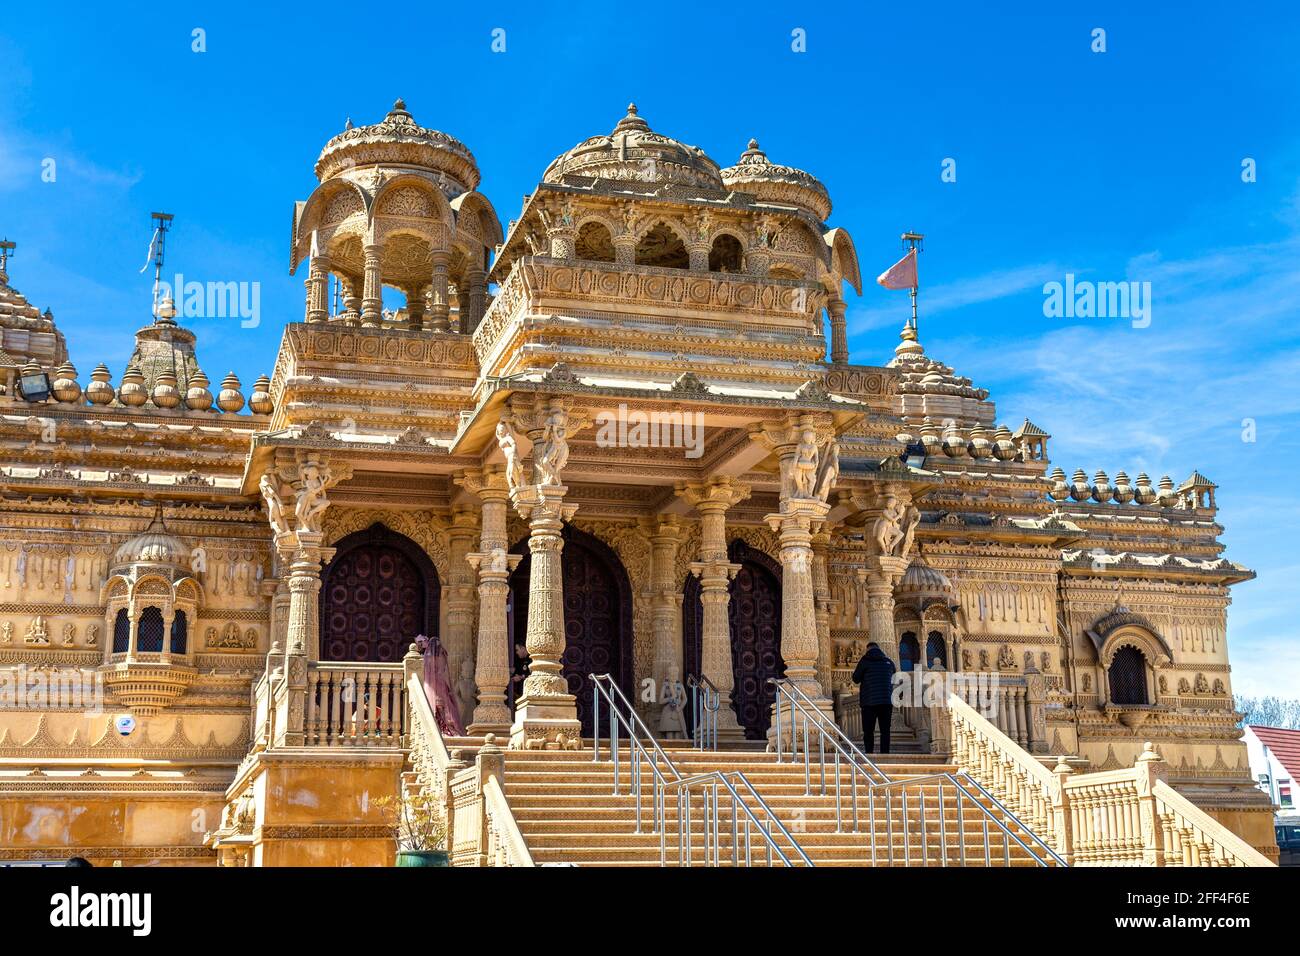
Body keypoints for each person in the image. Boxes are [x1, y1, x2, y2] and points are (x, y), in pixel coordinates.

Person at [851, 642, 896, 754]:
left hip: (869, 702)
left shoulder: (865, 661)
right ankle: (885, 754)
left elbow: (855, 678)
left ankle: (869, 753)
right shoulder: (889, 662)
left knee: (868, 731)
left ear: (868, 649)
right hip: (886, 701)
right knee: (885, 731)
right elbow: (894, 674)